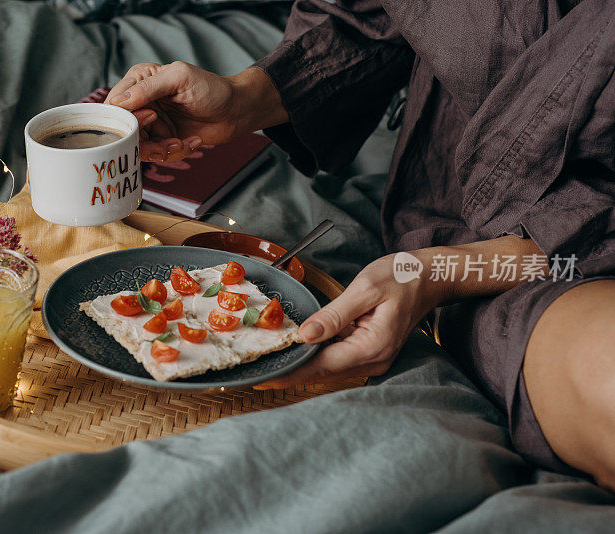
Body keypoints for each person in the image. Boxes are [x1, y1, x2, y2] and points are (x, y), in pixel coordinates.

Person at [106, 0, 615, 487]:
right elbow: (376, 16)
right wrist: (243, 101)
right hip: (463, 216)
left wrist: (438, 273)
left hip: (564, 259)